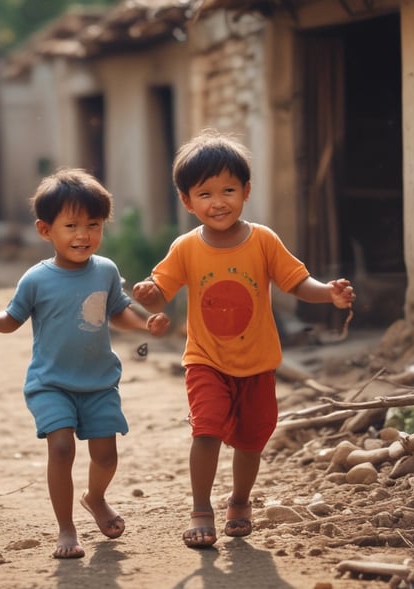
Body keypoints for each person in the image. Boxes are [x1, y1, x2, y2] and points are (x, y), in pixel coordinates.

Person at [132, 129, 355, 549]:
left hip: (257, 362)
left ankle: (239, 501)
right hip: (206, 359)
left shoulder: (264, 240)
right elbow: (161, 290)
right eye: (205, 193)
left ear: (246, 191)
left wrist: (329, 293)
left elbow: (297, 282)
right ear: (187, 200)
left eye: (228, 190)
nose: (218, 202)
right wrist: (149, 293)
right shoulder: (185, 248)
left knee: (253, 437)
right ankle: (201, 508)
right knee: (206, 429)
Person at [0, 168, 170, 559]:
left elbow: (119, 311)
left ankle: (95, 498)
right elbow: (12, 321)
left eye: (93, 225)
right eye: (71, 225)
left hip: (99, 382)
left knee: (106, 456)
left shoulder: (106, 270)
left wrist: (144, 325)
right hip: (51, 383)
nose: (83, 235)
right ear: (46, 230)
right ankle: (66, 528)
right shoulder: (35, 279)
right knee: (61, 448)